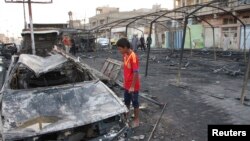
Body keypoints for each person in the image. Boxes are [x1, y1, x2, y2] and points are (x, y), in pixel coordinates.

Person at [116, 38, 140, 127]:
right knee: (126, 101)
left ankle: (137, 119)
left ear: (125, 47)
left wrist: (132, 86)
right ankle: (126, 116)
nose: (119, 51)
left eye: (120, 49)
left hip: (133, 85)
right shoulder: (125, 54)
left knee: (135, 103)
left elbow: (136, 72)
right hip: (127, 84)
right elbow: (126, 66)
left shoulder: (133, 57)